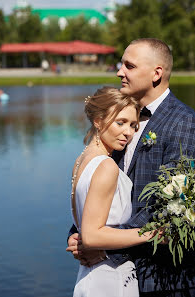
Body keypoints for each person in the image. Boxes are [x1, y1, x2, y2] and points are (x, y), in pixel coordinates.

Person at [67, 38, 195, 296]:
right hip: (120, 277)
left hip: (165, 280)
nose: (120, 71)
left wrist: (101, 242)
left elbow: (168, 208)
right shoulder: (122, 121)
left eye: (129, 66)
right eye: (122, 64)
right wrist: (78, 234)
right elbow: (101, 189)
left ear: (157, 73)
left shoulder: (184, 123)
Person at [70, 86, 156, 297]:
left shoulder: (81, 160)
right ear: (98, 121)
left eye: (133, 125)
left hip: (91, 274)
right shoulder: (106, 167)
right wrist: (153, 233)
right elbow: (91, 235)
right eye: (121, 123)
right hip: (110, 279)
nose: (128, 132)